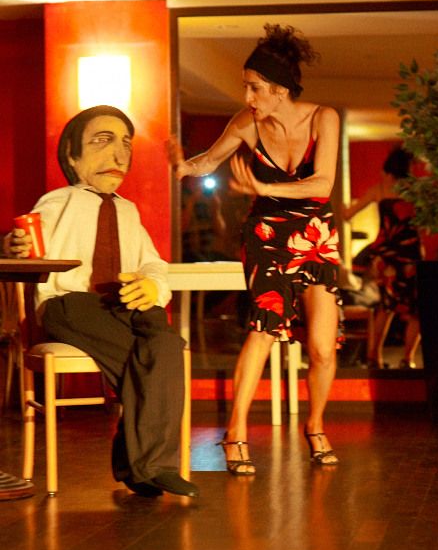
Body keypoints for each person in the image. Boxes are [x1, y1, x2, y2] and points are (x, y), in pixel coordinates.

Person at [167, 24, 342, 474]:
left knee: (322, 347)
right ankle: (235, 433)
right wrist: (183, 166)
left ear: (280, 89)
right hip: (266, 233)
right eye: (245, 86)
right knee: (264, 328)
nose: (247, 96)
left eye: (255, 87)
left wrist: (264, 186)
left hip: (315, 234)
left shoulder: (323, 118)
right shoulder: (246, 124)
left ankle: (315, 426)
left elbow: (322, 184)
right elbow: (208, 162)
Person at [5, 105, 198, 498]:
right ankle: (147, 467)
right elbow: (25, 243)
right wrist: (14, 244)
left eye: (126, 143)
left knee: (165, 344)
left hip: (122, 306)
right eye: (102, 140)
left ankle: (137, 465)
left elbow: (152, 263)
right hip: (70, 304)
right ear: (72, 156)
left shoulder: (128, 211)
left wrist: (152, 285)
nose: (119, 154)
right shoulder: (58, 202)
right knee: (149, 358)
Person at [343, 146, 422, 369]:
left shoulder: (379, 190)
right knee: (416, 310)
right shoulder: (415, 191)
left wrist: (341, 206)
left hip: (386, 256)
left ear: (387, 171)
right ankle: (408, 359)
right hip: (410, 256)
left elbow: (348, 214)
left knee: (385, 308)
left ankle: (374, 357)